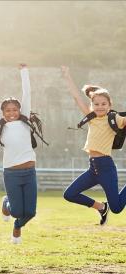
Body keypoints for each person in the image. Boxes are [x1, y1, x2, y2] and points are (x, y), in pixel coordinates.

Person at [62, 66, 126, 224]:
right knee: (69, 194)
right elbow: (77, 98)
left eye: (103, 103)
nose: (100, 106)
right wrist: (67, 77)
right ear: (92, 106)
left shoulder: (114, 118)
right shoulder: (91, 118)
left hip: (106, 167)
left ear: (109, 105)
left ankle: (109, 207)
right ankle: (101, 207)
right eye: (96, 104)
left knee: (117, 208)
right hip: (93, 168)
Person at [0, 64, 37, 244]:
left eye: (15, 109)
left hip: (29, 172)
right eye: (8, 110)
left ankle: (17, 227)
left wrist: (24, 72)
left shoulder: (25, 122)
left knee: (30, 212)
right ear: (3, 113)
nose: (12, 113)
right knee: (16, 210)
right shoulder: (0, 125)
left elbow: (27, 94)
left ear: (20, 110)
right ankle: (6, 203)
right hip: (12, 173)